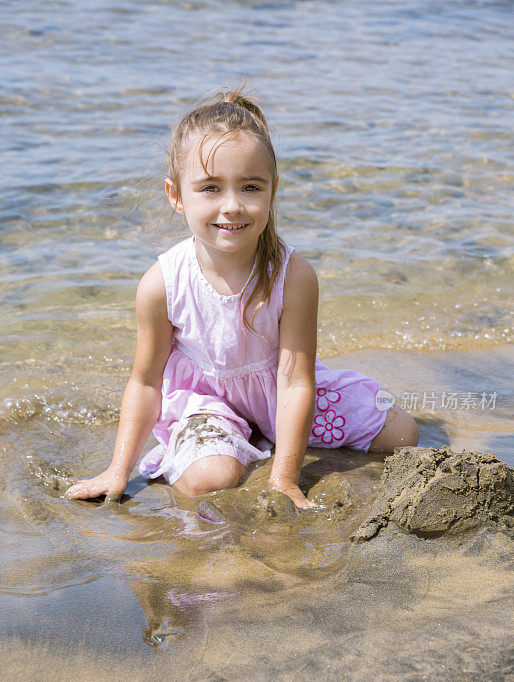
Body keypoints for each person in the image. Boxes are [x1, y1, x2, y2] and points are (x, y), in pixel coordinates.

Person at [66, 88, 418, 510]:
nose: (232, 206)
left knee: (403, 435)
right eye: (210, 189)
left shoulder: (294, 276)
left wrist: (286, 480)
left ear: (272, 190)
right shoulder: (162, 283)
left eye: (250, 187)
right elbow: (145, 382)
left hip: (278, 392)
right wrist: (116, 470)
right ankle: (226, 437)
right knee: (208, 480)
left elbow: (295, 380)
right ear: (176, 195)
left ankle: (264, 436)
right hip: (206, 400)